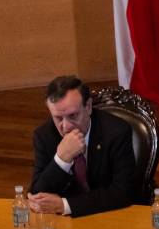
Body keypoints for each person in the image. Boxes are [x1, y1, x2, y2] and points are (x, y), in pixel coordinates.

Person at [29, 76, 136, 217]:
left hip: (113, 215)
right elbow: (38, 194)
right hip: (68, 225)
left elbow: (123, 192)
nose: (65, 126)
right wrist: (61, 159)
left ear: (89, 107)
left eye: (73, 115)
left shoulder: (116, 132)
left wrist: (65, 205)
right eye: (58, 118)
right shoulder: (44, 136)